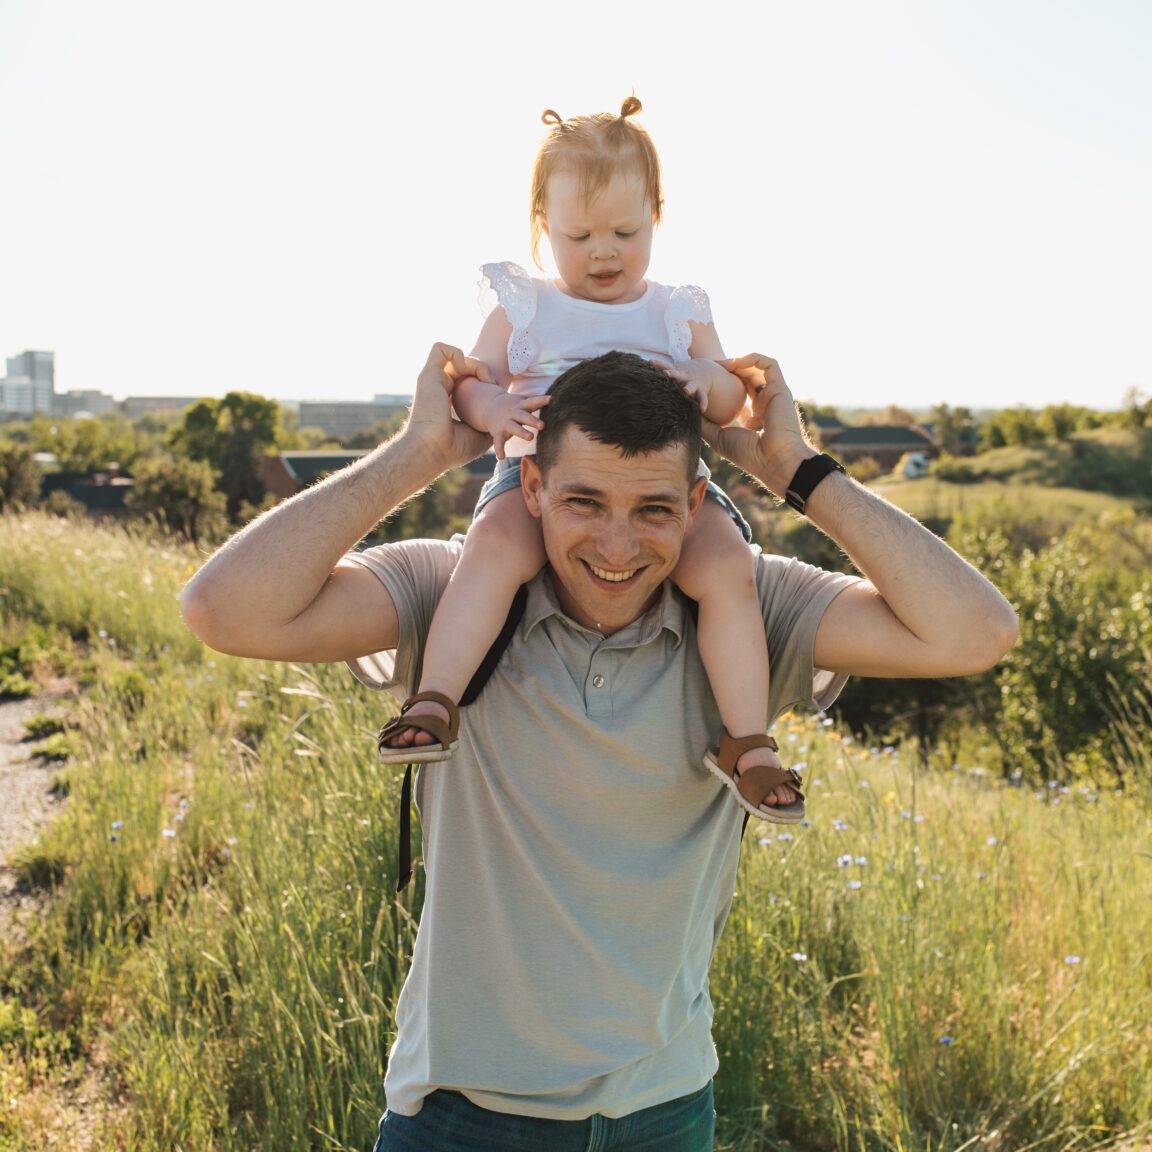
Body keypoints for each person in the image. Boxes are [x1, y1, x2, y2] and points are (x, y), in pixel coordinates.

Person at [180, 342, 1018, 1151]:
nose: (617, 549)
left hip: (666, 1109)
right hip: (463, 1115)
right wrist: (420, 452)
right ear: (533, 486)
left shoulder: (747, 612)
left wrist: (793, 469)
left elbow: (974, 632)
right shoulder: (456, 598)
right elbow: (224, 610)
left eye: (654, 509)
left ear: (696, 506)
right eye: (585, 502)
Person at [376, 96, 802, 821]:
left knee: (726, 567)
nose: (604, 250)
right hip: (535, 477)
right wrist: (493, 410)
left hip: (670, 488)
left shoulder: (677, 309)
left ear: (657, 217)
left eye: (625, 231)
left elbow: (729, 397)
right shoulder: (525, 305)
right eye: (579, 234)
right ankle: (437, 696)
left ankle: (748, 742)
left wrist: (712, 383)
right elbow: (471, 383)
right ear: (544, 227)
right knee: (493, 548)